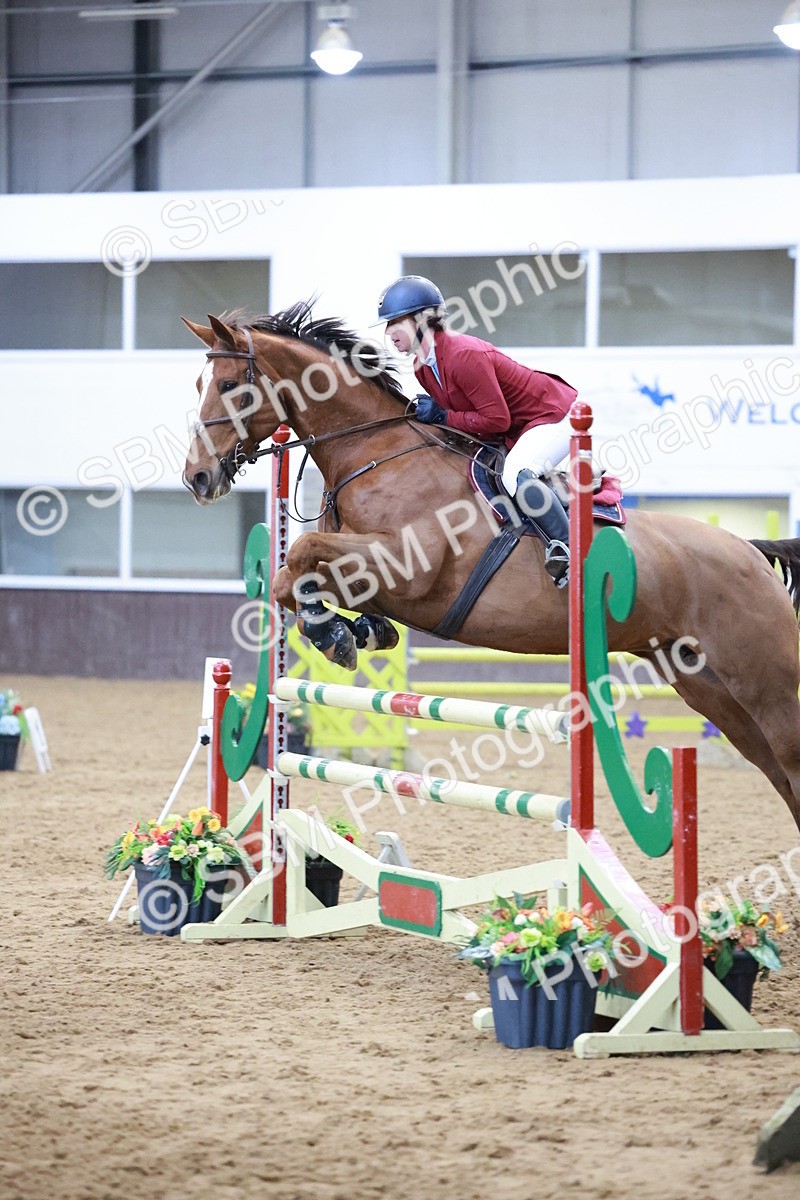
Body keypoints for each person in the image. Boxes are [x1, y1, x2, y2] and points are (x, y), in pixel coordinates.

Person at [377, 274, 578, 587]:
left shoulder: (463, 354)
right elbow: (469, 420)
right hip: (519, 428)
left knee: (518, 474)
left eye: (395, 323)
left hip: (555, 415)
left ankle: (572, 555)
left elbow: (495, 419)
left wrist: (442, 415)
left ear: (421, 320)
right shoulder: (421, 367)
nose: (389, 334)